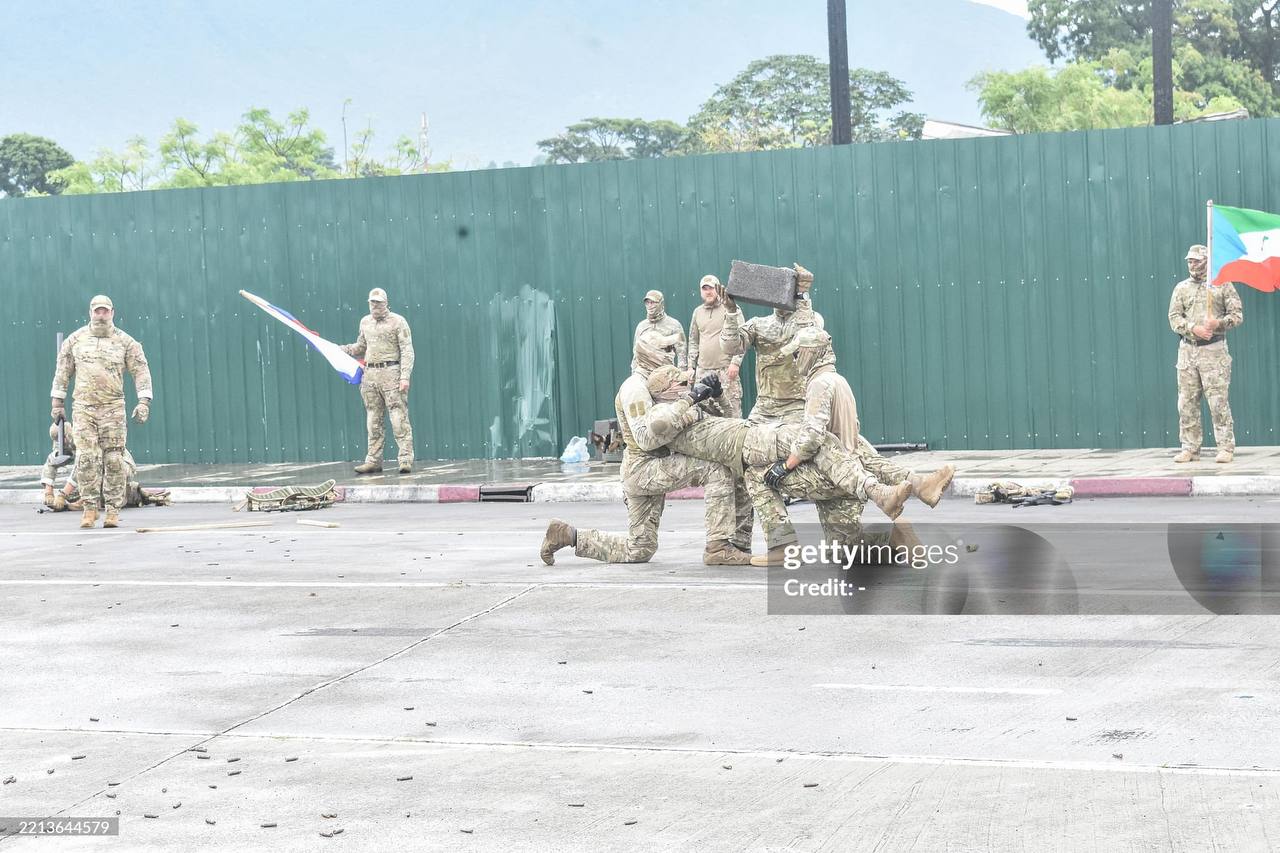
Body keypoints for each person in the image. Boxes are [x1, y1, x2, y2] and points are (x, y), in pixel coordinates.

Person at [748, 327, 955, 565]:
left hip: (831, 476)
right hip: (851, 476)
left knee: (755, 474)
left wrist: (785, 466)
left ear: (809, 353)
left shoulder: (818, 384)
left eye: (797, 355)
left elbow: (813, 436)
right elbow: (854, 431)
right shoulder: (839, 380)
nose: (795, 362)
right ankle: (894, 540)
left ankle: (781, 546)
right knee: (843, 551)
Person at [540, 339, 751, 567]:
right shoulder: (635, 388)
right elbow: (646, 439)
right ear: (649, 353)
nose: (672, 355)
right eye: (666, 350)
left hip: (652, 465)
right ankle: (719, 547)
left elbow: (725, 420)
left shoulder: (664, 379)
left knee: (640, 549)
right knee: (715, 469)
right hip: (644, 468)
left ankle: (567, 535)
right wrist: (688, 408)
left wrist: (715, 395)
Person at [50, 295, 152, 529]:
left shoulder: (126, 342)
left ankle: (113, 511)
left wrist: (144, 401)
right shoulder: (75, 340)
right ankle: (89, 508)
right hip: (83, 409)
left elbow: (141, 371)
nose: (101, 315)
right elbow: (62, 372)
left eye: (105, 311)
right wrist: (57, 403)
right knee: (86, 459)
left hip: (113, 409)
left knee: (114, 459)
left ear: (112, 313)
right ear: (90, 312)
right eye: (97, 311)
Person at [1168, 244, 1243, 463]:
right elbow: (1174, 317)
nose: (1191, 264)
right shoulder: (1181, 288)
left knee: (1218, 401)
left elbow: (1237, 315)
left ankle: (1225, 447)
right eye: (1189, 261)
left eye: (1195, 260)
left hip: (1214, 353)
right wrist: (1193, 328)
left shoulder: (1222, 285)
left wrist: (1218, 322)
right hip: (1188, 352)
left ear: (1205, 261)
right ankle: (1190, 448)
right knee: (1187, 402)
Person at [719, 265, 823, 424]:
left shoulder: (811, 319)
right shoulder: (758, 324)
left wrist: (803, 296)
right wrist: (731, 312)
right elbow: (730, 347)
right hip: (764, 408)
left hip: (798, 406)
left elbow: (808, 338)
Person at [342, 288, 415, 474]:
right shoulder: (365, 322)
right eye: (372, 302)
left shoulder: (398, 322)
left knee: (398, 418)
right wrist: (342, 349)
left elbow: (407, 351)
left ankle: (405, 459)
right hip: (370, 375)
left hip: (391, 373)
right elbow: (361, 346)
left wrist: (404, 376)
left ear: (386, 303)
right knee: (373, 420)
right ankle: (373, 460)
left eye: (378, 302)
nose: (375, 305)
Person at [40, 422, 168, 511]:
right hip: (102, 466)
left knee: (91, 484)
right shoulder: (66, 444)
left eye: (60, 440)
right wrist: (48, 494)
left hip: (122, 465)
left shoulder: (84, 438)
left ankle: (132, 492)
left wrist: (62, 495)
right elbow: (51, 462)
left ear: (66, 437)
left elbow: (80, 468)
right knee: (77, 493)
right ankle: (124, 493)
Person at [688, 275, 744, 418]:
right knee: (705, 415)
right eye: (705, 288)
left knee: (732, 415)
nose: (708, 292)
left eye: (711, 288)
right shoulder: (697, 312)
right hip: (703, 372)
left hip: (726, 371)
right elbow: (693, 341)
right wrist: (691, 367)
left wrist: (735, 363)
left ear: (718, 289)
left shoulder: (731, 309)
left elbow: (742, 338)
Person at [633, 290, 686, 371]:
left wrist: (681, 378)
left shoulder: (674, 325)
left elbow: (682, 353)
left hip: (665, 374)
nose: (650, 306)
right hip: (644, 374)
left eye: (653, 302)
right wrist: (634, 373)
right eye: (647, 302)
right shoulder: (641, 327)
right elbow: (636, 354)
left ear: (661, 303)